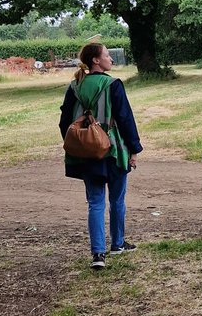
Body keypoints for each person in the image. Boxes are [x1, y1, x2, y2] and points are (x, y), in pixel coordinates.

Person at [59, 42, 143, 271]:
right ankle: (117, 244)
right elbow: (125, 119)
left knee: (95, 203)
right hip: (113, 151)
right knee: (117, 199)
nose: (111, 59)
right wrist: (134, 148)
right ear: (96, 60)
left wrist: (79, 144)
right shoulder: (113, 84)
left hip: (86, 155)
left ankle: (98, 254)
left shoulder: (75, 85)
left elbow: (64, 122)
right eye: (107, 55)